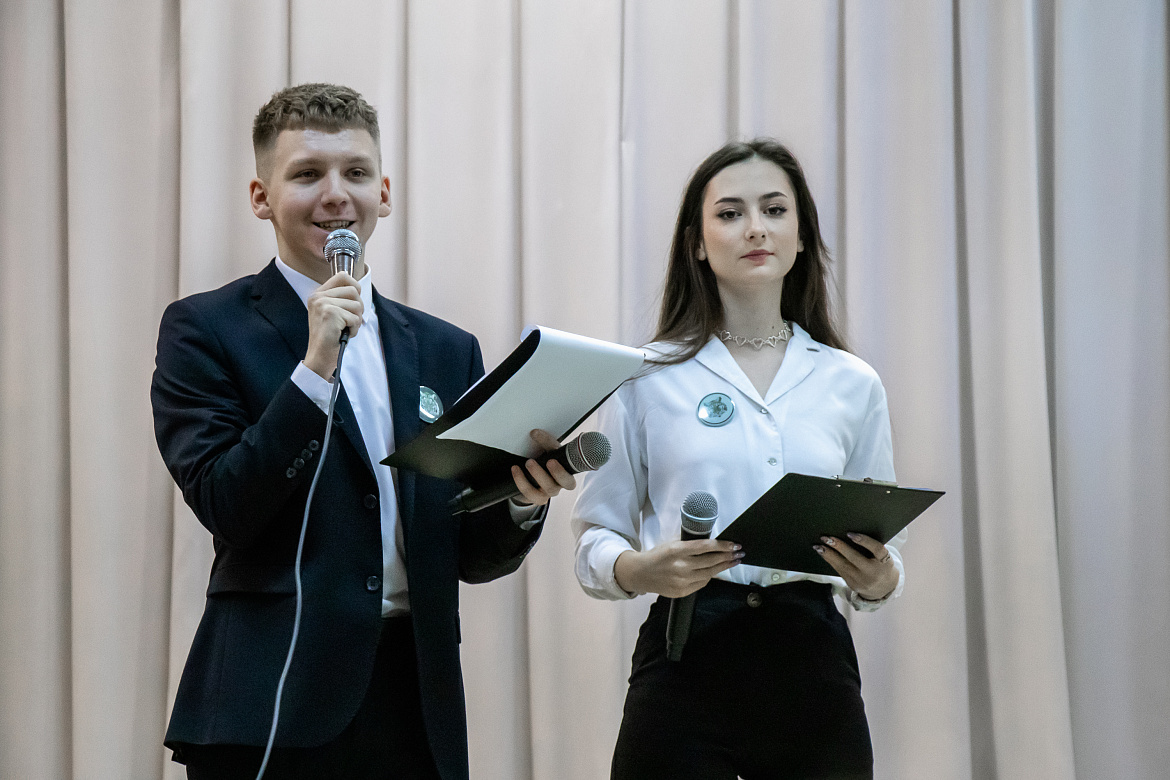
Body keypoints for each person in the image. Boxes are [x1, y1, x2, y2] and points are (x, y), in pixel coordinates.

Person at [152, 83, 575, 780]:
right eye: (306, 174)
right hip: (272, 697)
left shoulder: (445, 349)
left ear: (384, 193)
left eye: (354, 173)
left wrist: (522, 501)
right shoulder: (206, 328)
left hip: (413, 697)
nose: (335, 195)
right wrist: (315, 367)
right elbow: (227, 502)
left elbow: (471, 555)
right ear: (261, 197)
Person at [571, 139, 905, 780]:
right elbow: (595, 538)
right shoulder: (646, 376)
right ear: (697, 244)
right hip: (685, 650)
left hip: (813, 661)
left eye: (774, 210)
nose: (756, 228)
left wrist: (879, 578)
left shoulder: (852, 382)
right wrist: (641, 569)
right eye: (730, 213)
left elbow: (882, 547)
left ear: (801, 236)